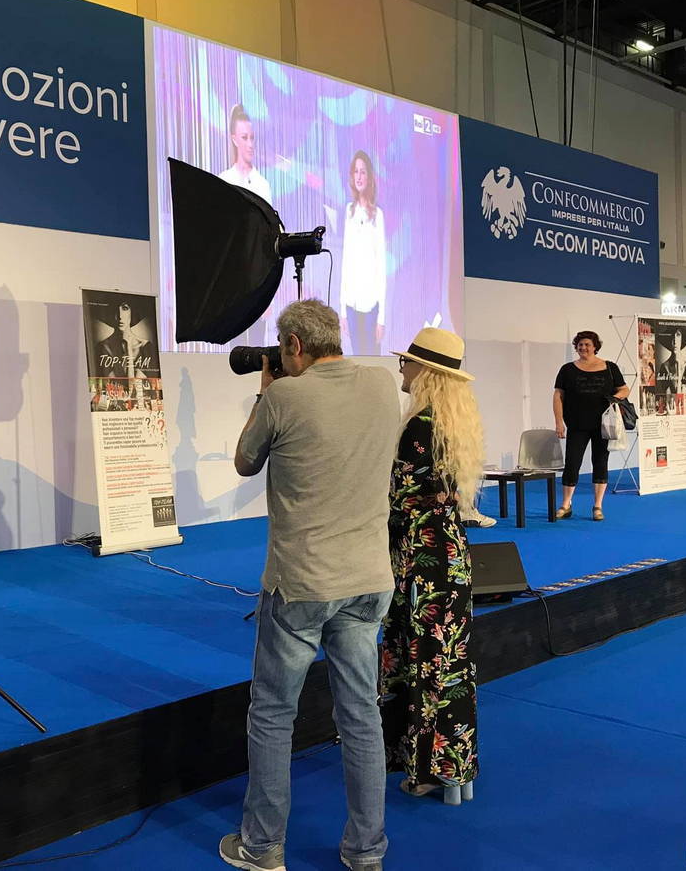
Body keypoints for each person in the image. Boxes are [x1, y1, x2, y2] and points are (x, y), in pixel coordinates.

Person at [221, 299, 400, 871]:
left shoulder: (283, 397)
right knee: (361, 714)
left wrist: (265, 391)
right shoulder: (382, 386)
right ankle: (366, 850)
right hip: (368, 579)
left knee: (274, 714)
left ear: (294, 346)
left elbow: (244, 461)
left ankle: (262, 845)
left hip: (302, 583)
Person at [380, 327, 483, 805]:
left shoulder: (418, 426)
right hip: (450, 555)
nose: (402, 368)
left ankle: (428, 771)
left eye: (407, 361)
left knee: (423, 664)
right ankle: (456, 765)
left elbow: (398, 499)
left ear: (424, 371)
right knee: (450, 663)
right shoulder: (451, 423)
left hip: (421, 560)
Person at [553, 331, 629, 522]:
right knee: (572, 463)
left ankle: (598, 506)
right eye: (580, 344)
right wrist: (559, 421)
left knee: (601, 462)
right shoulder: (567, 370)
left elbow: (624, 389)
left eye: (587, 344)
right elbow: (558, 396)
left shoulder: (610, 367)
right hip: (576, 424)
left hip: (604, 425)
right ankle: (566, 505)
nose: (583, 348)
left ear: (595, 346)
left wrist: (614, 398)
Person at [338, 151, 393, 357]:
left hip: (371, 305)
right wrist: (343, 310)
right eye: (356, 172)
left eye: (363, 172)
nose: (359, 176)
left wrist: (381, 318)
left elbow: (381, 267)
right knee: (356, 359)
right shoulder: (349, 211)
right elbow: (346, 261)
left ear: (369, 177)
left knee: (372, 359)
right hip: (352, 304)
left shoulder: (377, 215)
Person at [219, 103, 272, 204]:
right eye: (244, 137)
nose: (250, 144)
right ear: (234, 140)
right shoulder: (224, 180)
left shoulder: (262, 185)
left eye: (252, 138)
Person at [95, 301, 158, 379]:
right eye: (115, 309)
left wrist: (129, 348)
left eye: (125, 308)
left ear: (132, 312)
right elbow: (115, 384)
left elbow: (133, 385)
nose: (120, 316)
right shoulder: (102, 348)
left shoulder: (146, 347)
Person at [656, 328, 686, 395]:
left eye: (678, 335)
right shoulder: (664, 367)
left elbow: (683, 393)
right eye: (672, 337)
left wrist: (679, 366)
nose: (675, 342)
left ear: (681, 339)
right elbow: (668, 395)